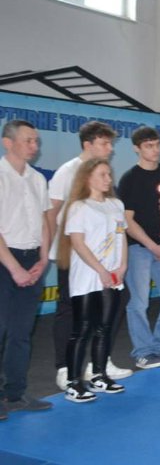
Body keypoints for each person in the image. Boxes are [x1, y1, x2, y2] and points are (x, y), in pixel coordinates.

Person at [48, 121, 131, 391]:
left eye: (110, 144)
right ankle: (65, 368)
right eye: (104, 143)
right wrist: (54, 248)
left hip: (105, 258)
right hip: (75, 252)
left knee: (113, 304)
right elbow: (53, 213)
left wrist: (120, 264)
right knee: (71, 310)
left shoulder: (111, 198)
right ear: (88, 144)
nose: (110, 149)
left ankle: (99, 365)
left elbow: (118, 231)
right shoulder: (67, 172)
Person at [118, 126, 160, 370]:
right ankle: (143, 352)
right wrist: (152, 246)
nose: (155, 150)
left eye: (157, 145)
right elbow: (127, 220)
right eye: (149, 146)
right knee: (139, 302)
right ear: (136, 148)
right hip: (139, 248)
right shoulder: (130, 178)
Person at [0, 121, 53, 416]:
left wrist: (43, 258)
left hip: (32, 259)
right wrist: (14, 268)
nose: (35, 146)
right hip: (4, 260)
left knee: (22, 331)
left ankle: (15, 393)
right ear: (8, 143)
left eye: (36, 141)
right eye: (28, 140)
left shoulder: (37, 178)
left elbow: (44, 221)